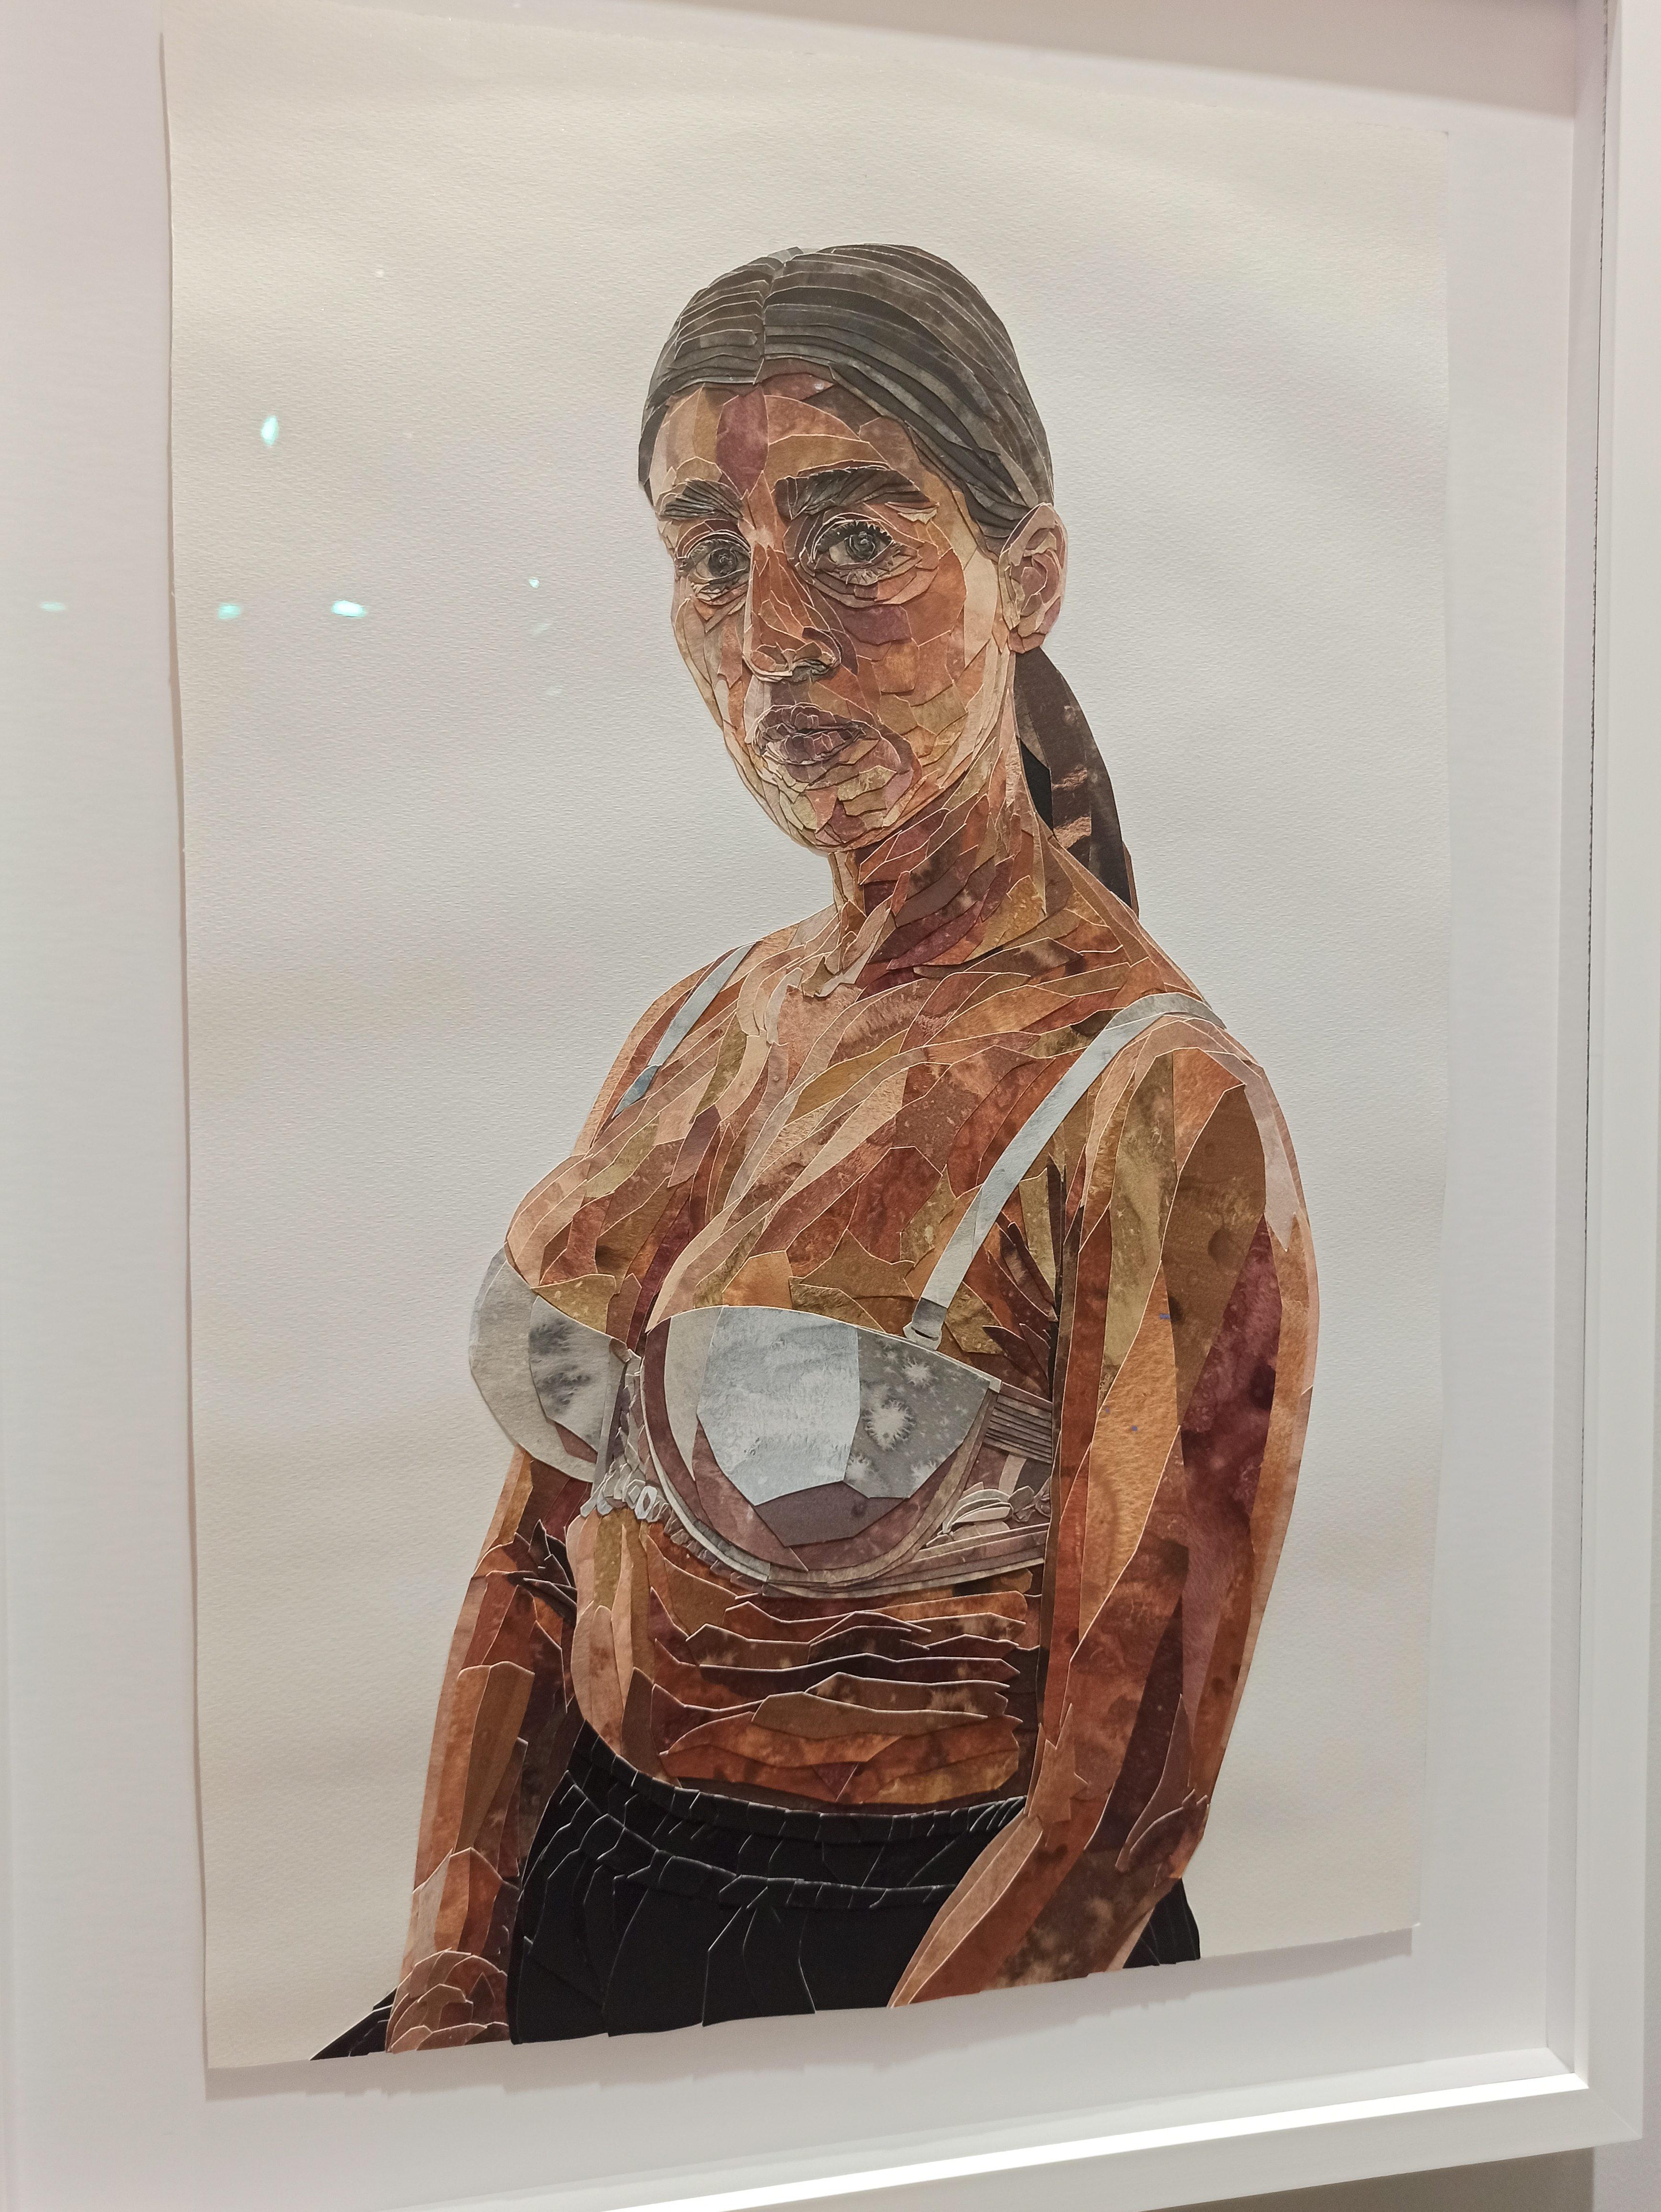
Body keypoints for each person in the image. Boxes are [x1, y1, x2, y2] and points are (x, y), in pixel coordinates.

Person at [319, 243, 1317, 2056]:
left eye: (853, 538)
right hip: (566, 1898)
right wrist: (453, 1982)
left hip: (916, 1968)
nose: (768, 633)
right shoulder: (695, 1024)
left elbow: (1117, 1816)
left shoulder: (1152, 1104)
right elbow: (535, 1558)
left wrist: (859, 2134)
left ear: (1029, 576)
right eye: (710, 555)